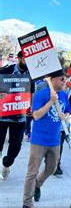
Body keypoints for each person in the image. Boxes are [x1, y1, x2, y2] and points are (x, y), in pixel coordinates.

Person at [23, 70, 70, 206]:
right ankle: (26, 203)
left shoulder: (64, 95)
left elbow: (67, 111)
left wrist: (65, 116)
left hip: (55, 140)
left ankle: (37, 184)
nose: (64, 82)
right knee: (32, 172)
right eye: (62, 79)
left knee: (52, 168)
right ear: (54, 79)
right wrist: (51, 101)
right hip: (39, 140)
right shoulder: (41, 95)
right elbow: (36, 115)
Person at [0, 50, 34, 180]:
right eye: (26, 59)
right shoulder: (4, 71)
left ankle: (7, 164)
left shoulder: (31, 75)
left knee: (16, 147)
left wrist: (31, 107)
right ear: (19, 58)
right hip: (2, 115)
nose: (28, 62)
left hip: (20, 117)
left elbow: (31, 92)